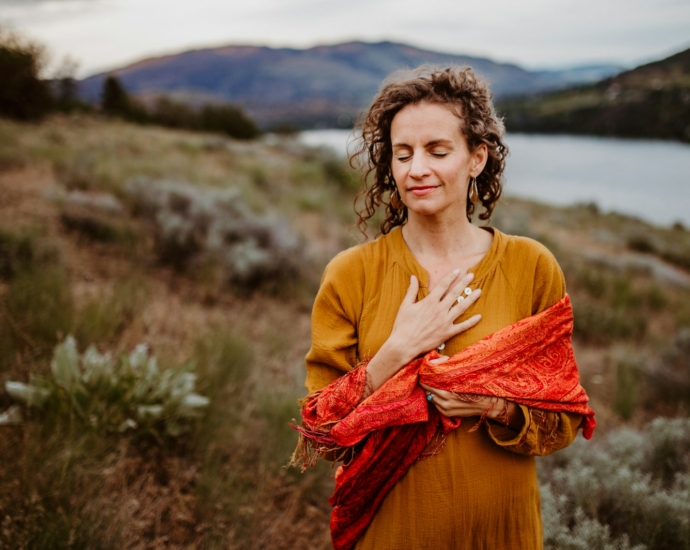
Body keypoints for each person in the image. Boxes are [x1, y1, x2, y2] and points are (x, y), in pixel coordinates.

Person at [294, 66, 595, 550]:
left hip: (503, 531)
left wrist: (494, 406)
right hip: (395, 531)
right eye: (403, 153)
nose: (416, 169)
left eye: (438, 151)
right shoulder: (352, 274)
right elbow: (321, 429)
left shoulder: (531, 266)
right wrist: (397, 351)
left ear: (476, 158)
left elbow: (563, 419)